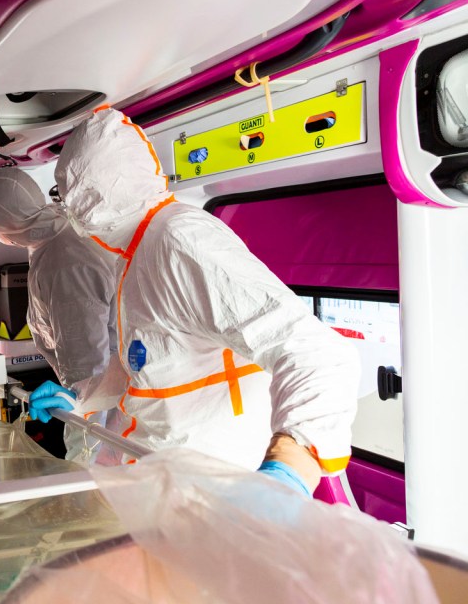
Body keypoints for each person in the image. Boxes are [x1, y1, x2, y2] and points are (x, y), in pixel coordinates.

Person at [30, 107, 360, 496]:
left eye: (72, 196)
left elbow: (313, 352)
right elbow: (142, 369)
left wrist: (288, 473)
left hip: (216, 495)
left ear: (97, 194)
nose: (70, 209)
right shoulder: (134, 254)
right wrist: (80, 398)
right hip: (160, 484)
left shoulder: (179, 240)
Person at [0, 167, 120, 464]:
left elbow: (89, 362)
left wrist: (77, 402)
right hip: (99, 391)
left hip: (102, 405)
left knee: (93, 480)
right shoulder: (54, 237)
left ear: (7, 225)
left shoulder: (65, 262)